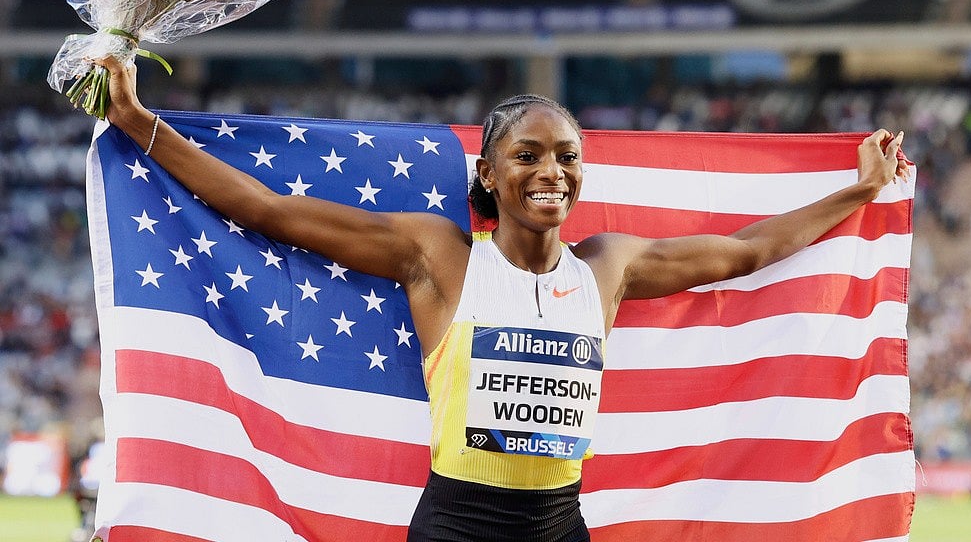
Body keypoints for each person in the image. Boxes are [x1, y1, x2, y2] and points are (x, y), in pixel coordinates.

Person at [93, 55, 908, 542]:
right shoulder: (439, 257)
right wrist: (136, 122)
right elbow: (271, 212)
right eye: (528, 154)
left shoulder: (608, 268)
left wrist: (859, 192)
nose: (552, 170)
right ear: (490, 173)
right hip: (457, 524)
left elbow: (746, 252)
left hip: (559, 525)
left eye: (567, 156)